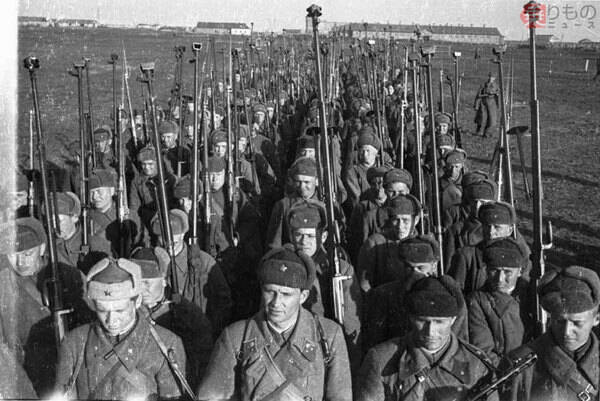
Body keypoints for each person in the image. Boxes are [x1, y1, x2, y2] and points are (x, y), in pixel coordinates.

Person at [197, 246, 353, 401]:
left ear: (303, 296)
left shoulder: (327, 336)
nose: (276, 302)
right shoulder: (236, 338)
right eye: (270, 292)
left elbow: (340, 398)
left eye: (286, 294)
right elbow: (210, 397)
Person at [54, 257, 186, 400]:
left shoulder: (167, 345)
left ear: (137, 301)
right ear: (93, 305)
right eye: (102, 310)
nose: (111, 320)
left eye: (120, 310)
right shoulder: (74, 344)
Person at [356, 275, 497, 401]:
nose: (430, 331)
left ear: (453, 320)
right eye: (422, 321)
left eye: (439, 322)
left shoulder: (477, 364)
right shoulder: (382, 359)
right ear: (411, 318)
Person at [0, 217, 88, 397]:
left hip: (68, 367)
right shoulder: (3, 283)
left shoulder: (66, 275)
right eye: (13, 255)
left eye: (28, 254)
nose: (20, 262)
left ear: (41, 248)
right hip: (24, 373)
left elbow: (89, 323)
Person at [502, 265, 600, 401]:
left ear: (596, 319)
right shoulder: (520, 366)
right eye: (559, 321)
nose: (567, 332)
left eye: (577, 323)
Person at [287, 200, 364, 374]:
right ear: (291, 236)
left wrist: (350, 362)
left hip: (329, 344)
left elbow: (351, 322)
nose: (304, 241)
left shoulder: (339, 269)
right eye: (299, 235)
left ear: (323, 237)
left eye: (310, 236)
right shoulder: (284, 265)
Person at [363, 235, 468, 350]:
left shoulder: (448, 294)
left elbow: (458, 339)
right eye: (408, 267)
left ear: (433, 266)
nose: (414, 273)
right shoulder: (383, 295)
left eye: (421, 268)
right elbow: (374, 341)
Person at [132, 246, 213, 389]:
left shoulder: (190, 317)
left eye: (147, 283)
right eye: (137, 283)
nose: (141, 289)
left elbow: (202, 366)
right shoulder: (126, 312)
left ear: (164, 280)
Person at [150, 208, 233, 336]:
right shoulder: (151, 264)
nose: (169, 244)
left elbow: (223, 302)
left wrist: (208, 330)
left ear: (183, 234)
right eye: (163, 239)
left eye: (174, 240)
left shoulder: (204, 262)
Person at [468, 238, 534, 366]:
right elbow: (484, 349)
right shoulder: (478, 301)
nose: (500, 279)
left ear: (520, 271)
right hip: (505, 369)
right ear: (486, 270)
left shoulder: (532, 294)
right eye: (494, 271)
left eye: (507, 272)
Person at [448, 201, 531, 297]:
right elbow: (456, 294)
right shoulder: (467, 256)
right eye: (487, 226)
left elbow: (524, 289)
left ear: (510, 230)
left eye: (497, 227)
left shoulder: (520, 256)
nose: (491, 232)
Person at [357, 194, 421, 292]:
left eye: (405, 220)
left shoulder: (422, 244)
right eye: (396, 220)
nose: (400, 226)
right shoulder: (374, 243)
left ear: (415, 220)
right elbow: (364, 285)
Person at [129, 145, 176, 246]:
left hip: (168, 219)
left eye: (150, 164)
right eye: (143, 164)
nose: (146, 167)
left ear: (157, 163)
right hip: (147, 221)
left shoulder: (169, 179)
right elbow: (134, 207)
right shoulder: (137, 182)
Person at [474, 73, 499, 137]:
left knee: (492, 119)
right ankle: (478, 131)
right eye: (490, 77)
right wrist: (476, 105)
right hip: (483, 102)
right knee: (482, 118)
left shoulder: (496, 86)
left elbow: (499, 94)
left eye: (492, 77)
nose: (491, 78)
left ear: (495, 78)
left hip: (492, 103)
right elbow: (478, 95)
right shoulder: (483, 85)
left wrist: (496, 94)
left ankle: (487, 133)